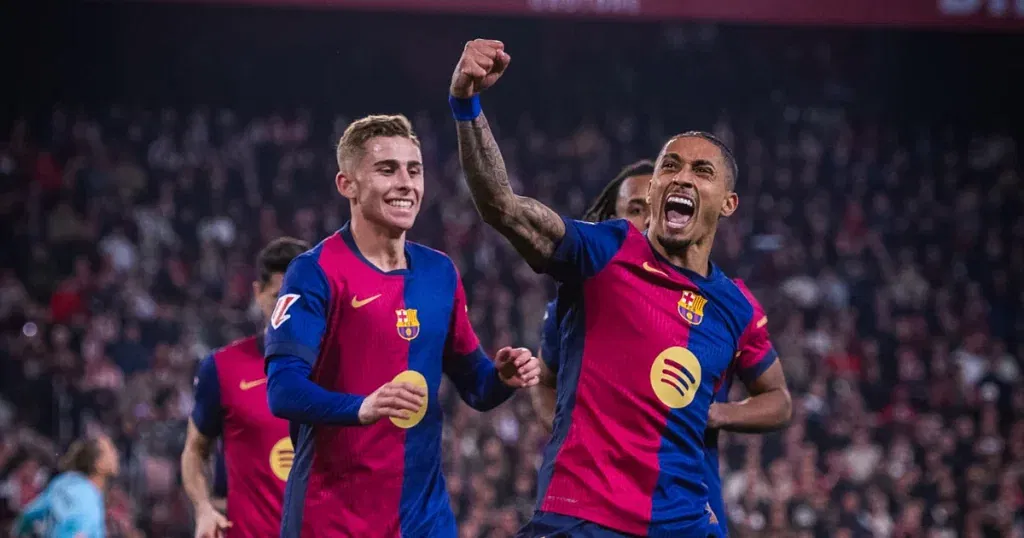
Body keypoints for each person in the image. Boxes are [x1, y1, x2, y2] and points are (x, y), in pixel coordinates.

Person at [449, 39, 792, 537]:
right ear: (651, 191)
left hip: (682, 522)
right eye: (669, 167)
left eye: (702, 170)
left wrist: (713, 412)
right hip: (581, 518)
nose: (682, 177)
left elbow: (778, 397)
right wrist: (467, 105)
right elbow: (503, 206)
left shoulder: (735, 306)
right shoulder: (604, 251)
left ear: (729, 203)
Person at [263, 114, 542, 537]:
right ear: (347, 185)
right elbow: (282, 390)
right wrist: (360, 408)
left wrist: (503, 376)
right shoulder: (315, 272)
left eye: (415, 170)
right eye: (386, 169)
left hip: (422, 519)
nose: (406, 183)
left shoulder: (439, 273)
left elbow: (476, 386)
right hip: (333, 518)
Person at [181, 237, 309, 538]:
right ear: (258, 293)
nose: (288, 310)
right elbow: (195, 450)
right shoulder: (223, 369)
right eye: (279, 297)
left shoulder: (342, 367)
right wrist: (203, 507)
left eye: (299, 298)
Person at [531, 159, 653, 428]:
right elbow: (543, 382)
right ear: (612, 221)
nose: (648, 221)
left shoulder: (707, 299)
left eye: (658, 209)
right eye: (635, 210)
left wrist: (717, 415)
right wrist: (567, 439)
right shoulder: (578, 302)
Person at [11, 435, 119, 538]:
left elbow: (27, 516)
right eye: (110, 449)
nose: (116, 454)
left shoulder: (63, 483)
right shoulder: (87, 497)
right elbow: (77, 531)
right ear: (98, 464)